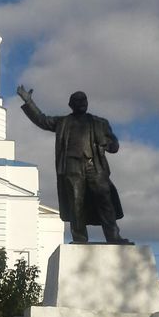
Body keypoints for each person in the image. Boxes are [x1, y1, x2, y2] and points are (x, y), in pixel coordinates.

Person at [17, 85, 130, 244]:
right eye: (77, 101)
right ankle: (79, 238)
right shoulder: (63, 122)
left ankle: (113, 236)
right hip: (72, 167)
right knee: (76, 203)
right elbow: (42, 120)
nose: (81, 103)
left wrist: (109, 145)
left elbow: (114, 144)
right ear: (71, 105)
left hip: (94, 166)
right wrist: (29, 102)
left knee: (105, 199)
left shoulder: (100, 123)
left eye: (83, 100)